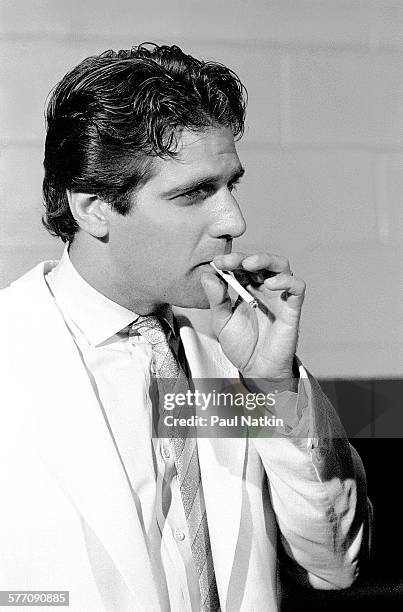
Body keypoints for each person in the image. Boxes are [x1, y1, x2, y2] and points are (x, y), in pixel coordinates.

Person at [0, 43, 372, 611]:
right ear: (94, 207)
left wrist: (273, 388)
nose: (234, 221)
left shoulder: (232, 356)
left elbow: (334, 565)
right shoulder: (12, 354)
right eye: (193, 192)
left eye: (231, 185)